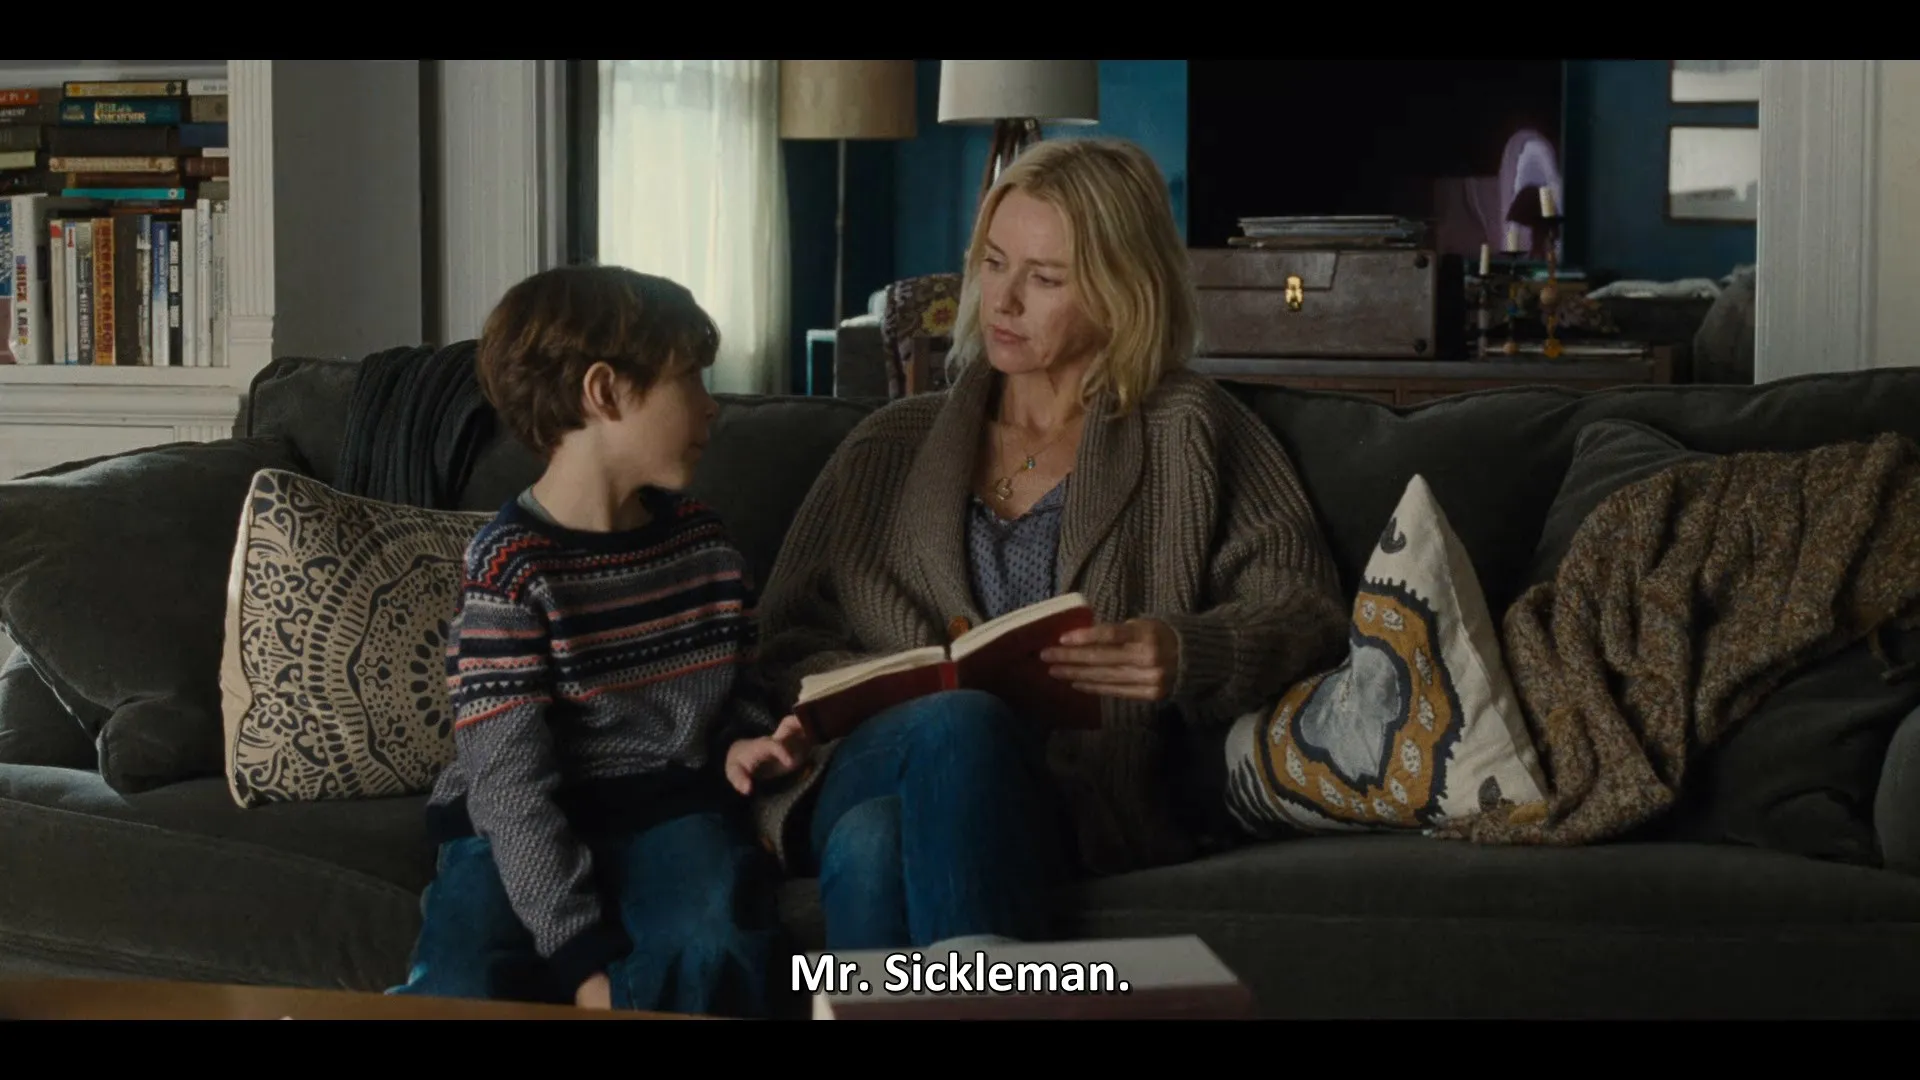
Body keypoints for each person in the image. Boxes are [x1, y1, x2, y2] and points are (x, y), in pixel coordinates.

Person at [736, 137, 1351, 951]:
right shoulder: (888, 445)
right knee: (956, 723)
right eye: (993, 264)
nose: (1003, 300)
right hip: (869, 760)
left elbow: (1307, 611)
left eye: (1046, 278)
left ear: (1123, 290)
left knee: (876, 846)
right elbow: (780, 641)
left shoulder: (1192, 432)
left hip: (1073, 805)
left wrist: (1188, 651)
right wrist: (878, 689)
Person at [388, 265, 809, 1015]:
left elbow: (735, 687)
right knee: (462, 980)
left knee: (720, 947)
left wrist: (740, 743)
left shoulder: (706, 546)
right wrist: (585, 967)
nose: (712, 404)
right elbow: (510, 787)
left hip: (669, 807)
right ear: (605, 392)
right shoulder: (509, 568)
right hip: (525, 820)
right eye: (691, 377)